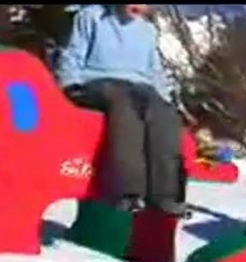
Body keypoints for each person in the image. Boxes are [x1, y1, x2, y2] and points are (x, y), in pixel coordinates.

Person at [55, 4, 187, 216]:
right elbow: (73, 54)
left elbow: (154, 70)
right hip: (98, 82)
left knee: (163, 115)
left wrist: (166, 101)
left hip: (141, 87)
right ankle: (129, 192)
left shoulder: (148, 31)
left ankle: (166, 196)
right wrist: (69, 85)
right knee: (125, 107)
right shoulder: (92, 17)